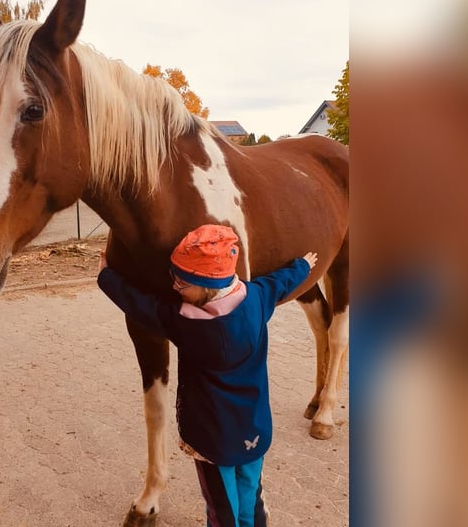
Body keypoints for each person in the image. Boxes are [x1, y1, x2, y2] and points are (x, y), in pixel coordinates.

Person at [97, 224, 317, 527]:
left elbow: (139, 304)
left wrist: (106, 276)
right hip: (254, 430)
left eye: (182, 282)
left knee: (221, 509)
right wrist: (303, 266)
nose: (174, 287)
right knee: (250, 495)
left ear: (205, 285)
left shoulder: (185, 325)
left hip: (212, 440)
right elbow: (280, 283)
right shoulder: (256, 298)